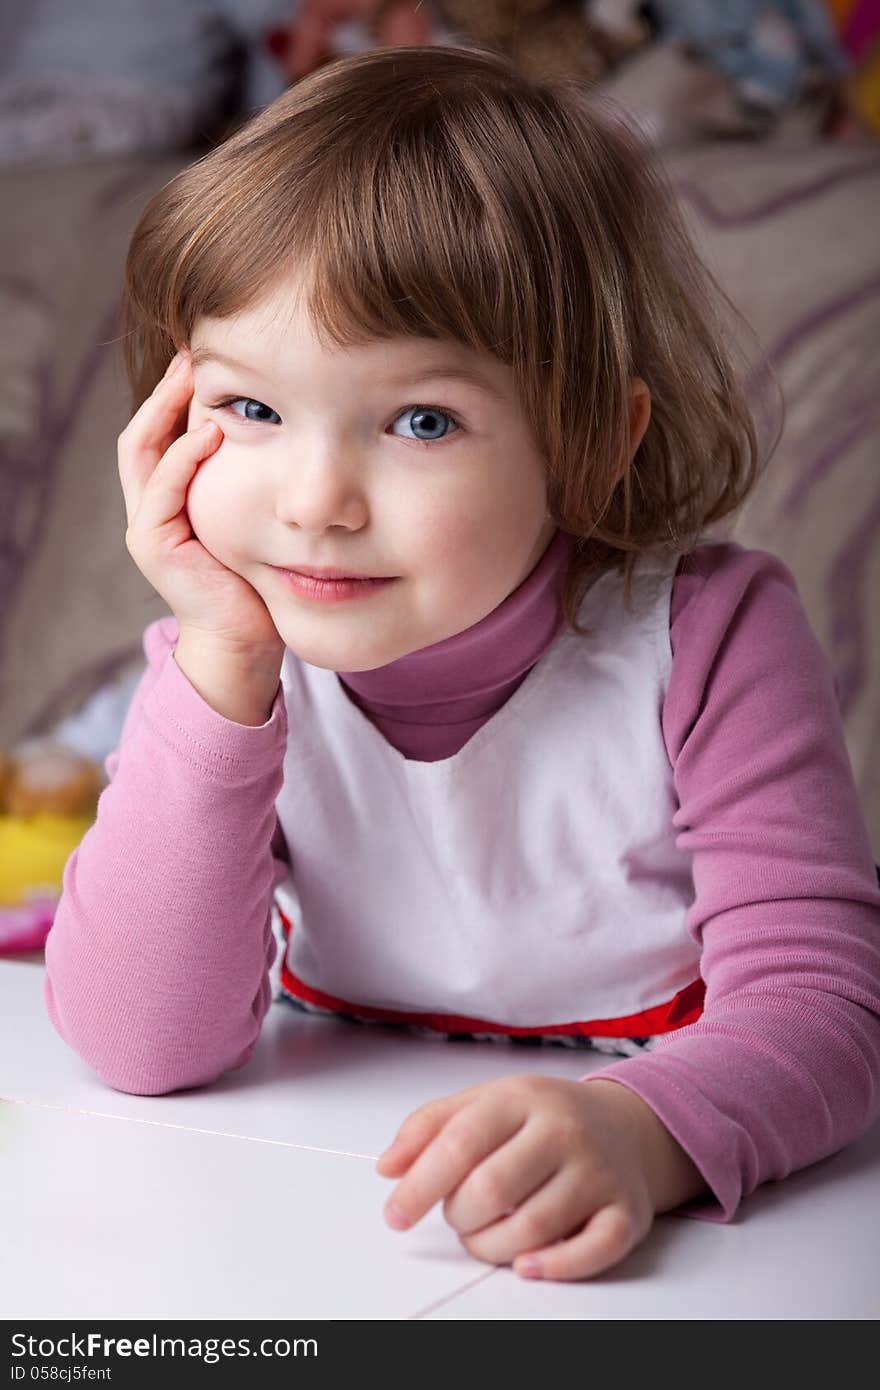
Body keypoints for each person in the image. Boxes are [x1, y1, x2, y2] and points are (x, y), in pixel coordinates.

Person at [44, 44, 880, 1284]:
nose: (315, 502)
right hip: (302, 1197)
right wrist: (218, 672)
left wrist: (642, 1133)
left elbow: (828, 1012)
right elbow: (137, 1044)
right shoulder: (231, 662)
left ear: (589, 443)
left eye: (421, 421)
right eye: (253, 411)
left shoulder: (705, 635)